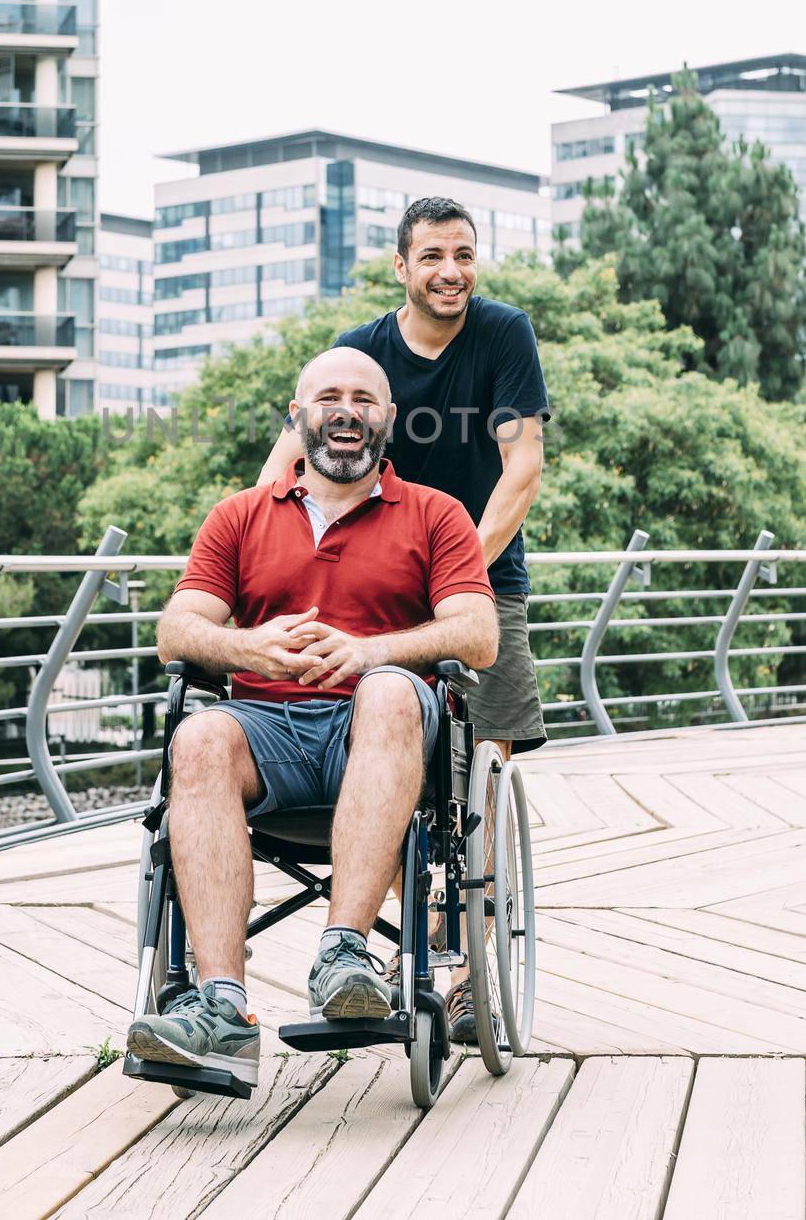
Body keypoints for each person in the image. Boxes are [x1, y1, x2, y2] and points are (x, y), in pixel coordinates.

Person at [127, 345, 498, 1088]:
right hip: (269, 734)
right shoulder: (238, 517)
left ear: (389, 419)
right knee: (197, 735)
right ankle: (220, 1008)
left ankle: (343, 955)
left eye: (364, 399)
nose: (346, 412)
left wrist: (370, 653)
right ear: (296, 417)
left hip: (382, 737)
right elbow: (177, 630)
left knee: (392, 690)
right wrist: (250, 648)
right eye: (328, 397)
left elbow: (478, 635)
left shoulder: (435, 514)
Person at [258, 195, 549, 1040]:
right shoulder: (365, 355)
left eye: (462, 254)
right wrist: (244, 543)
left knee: (478, 782)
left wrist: (455, 572)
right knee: (397, 766)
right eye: (431, 257)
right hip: (376, 584)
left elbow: (521, 466)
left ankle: (471, 961)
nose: (450, 271)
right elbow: (290, 460)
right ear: (401, 267)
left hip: (479, 579)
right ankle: (420, 942)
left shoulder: (502, 335)